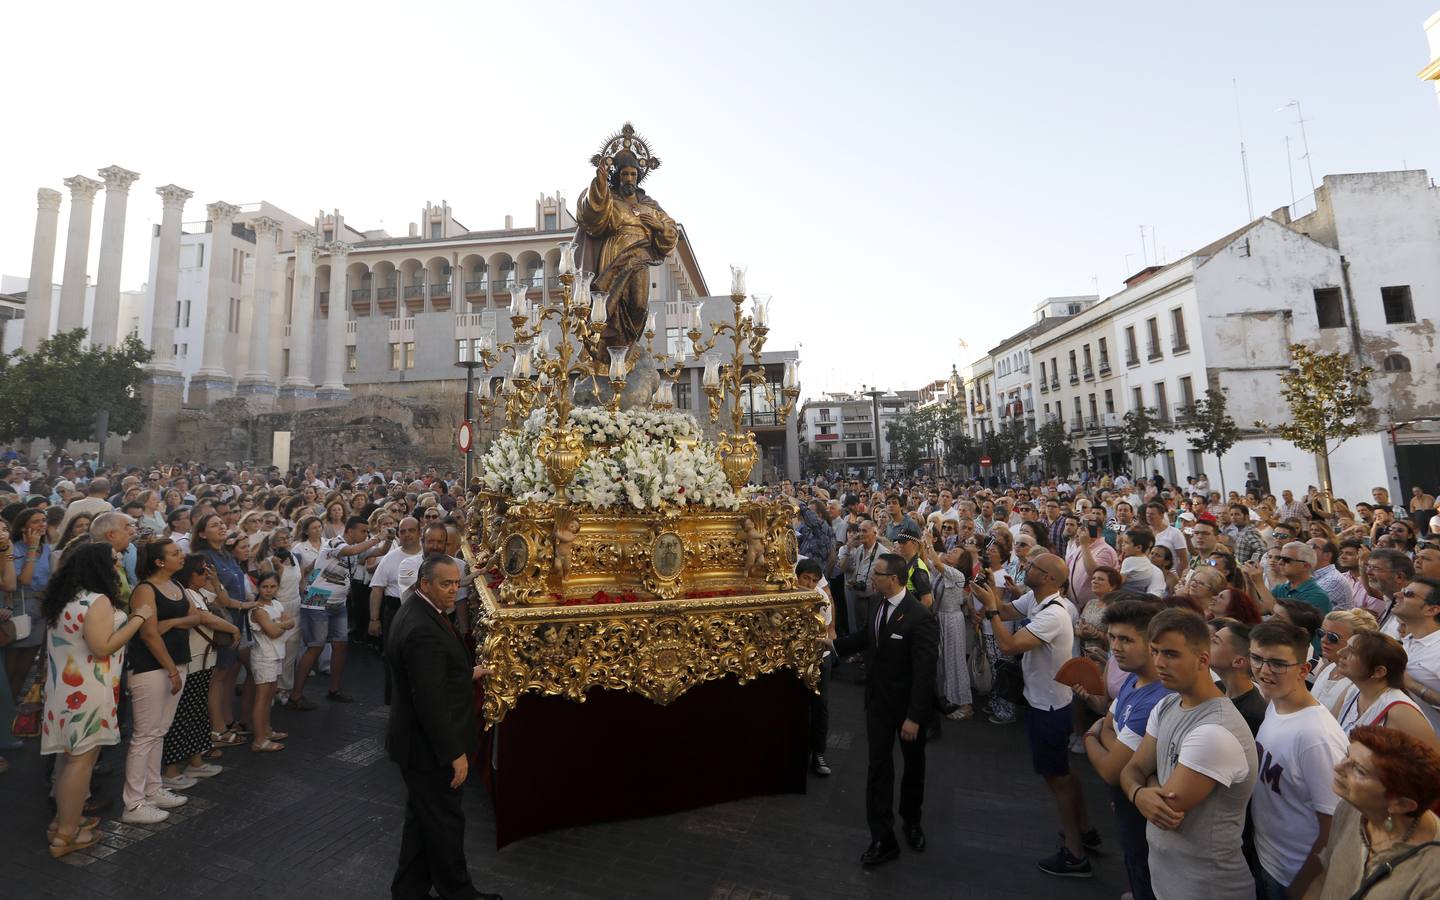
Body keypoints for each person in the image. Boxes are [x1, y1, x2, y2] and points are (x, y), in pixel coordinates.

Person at [1120, 608, 1258, 900]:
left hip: (1207, 886)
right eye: (1154, 651)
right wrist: (1139, 793)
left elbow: (1166, 810)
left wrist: (1139, 787)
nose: (1158, 662)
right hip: (1169, 878)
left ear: (1202, 660)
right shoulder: (1168, 705)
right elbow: (1129, 769)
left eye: (1171, 654)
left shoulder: (1215, 731)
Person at [384, 556, 500, 900]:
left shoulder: (418, 611)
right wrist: (454, 754)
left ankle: (408, 890)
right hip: (428, 749)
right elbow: (430, 700)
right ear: (425, 585)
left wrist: (466, 674)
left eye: (456, 583)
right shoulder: (422, 628)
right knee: (445, 822)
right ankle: (459, 893)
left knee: (423, 820)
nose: (454, 591)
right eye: (445, 584)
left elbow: (431, 679)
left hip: (417, 744)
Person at [975, 552, 1096, 877]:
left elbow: (1010, 645)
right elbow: (1008, 609)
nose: (1025, 568)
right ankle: (1084, 829)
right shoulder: (1038, 599)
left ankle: (1074, 852)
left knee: (1056, 779)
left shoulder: (1053, 616)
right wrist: (992, 593)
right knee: (1065, 772)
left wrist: (989, 609)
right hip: (1050, 701)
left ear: (1049, 579)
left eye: (1032, 567)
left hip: (1049, 707)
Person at [40, 543, 149, 857]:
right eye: (114, 561)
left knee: (68, 760)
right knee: (81, 763)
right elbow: (102, 647)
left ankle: (63, 821)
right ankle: (66, 833)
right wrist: (138, 618)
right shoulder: (96, 601)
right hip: (88, 690)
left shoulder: (65, 597)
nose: (118, 566)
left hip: (64, 690)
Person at [831, 552, 939, 867]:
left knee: (913, 767)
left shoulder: (920, 617)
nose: (871, 578)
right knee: (878, 768)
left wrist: (915, 717)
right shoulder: (879, 605)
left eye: (876, 574)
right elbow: (868, 638)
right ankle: (882, 836)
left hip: (908, 710)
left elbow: (924, 673)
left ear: (892, 579)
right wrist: (833, 646)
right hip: (878, 703)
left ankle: (912, 819)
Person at [1248, 620, 1350, 899]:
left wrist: (1302, 887)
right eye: (1256, 658)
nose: (1263, 670)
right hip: (1266, 856)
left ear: (1304, 670)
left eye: (1278, 664)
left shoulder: (1317, 738)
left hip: (1292, 875)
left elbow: (1335, 827)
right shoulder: (1275, 704)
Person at [1080, 598, 1170, 900]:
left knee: (1144, 871)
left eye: (1127, 640)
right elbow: (1108, 723)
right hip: (1127, 808)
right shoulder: (1133, 676)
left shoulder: (1154, 698)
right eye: (1113, 637)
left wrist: (1088, 739)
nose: (1115, 647)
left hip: (1143, 821)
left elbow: (1111, 771)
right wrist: (1111, 741)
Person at [1305, 725, 1440, 899]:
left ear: (1401, 804)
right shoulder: (1350, 809)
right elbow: (1324, 877)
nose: (1338, 768)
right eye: (1347, 755)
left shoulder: (1432, 877)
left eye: (1359, 770)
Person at [122, 539, 193, 825]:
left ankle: (152, 789)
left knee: (159, 731)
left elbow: (195, 616)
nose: (182, 556)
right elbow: (150, 635)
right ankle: (134, 803)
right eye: (175, 553)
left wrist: (174, 623)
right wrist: (171, 670)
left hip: (175, 663)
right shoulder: (144, 590)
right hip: (151, 668)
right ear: (159, 562)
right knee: (144, 735)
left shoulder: (177, 586)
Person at [289, 515, 388, 710]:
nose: (365, 534)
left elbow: (379, 551)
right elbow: (351, 550)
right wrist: (377, 537)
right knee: (315, 648)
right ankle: (296, 695)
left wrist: (389, 539)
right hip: (317, 597)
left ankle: (334, 690)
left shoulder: (355, 549)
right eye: (362, 531)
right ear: (350, 531)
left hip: (339, 601)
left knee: (341, 646)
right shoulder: (335, 542)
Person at [1335, 633, 1438, 746]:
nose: (1340, 653)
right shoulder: (1352, 691)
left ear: (1378, 672)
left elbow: (1433, 760)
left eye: (1352, 652)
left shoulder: (1401, 711)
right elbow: (1330, 731)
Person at [796, 557, 836, 775]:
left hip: (820, 657)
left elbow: (828, 627)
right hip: (795, 658)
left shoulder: (822, 598)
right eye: (805, 579)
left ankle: (818, 753)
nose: (809, 584)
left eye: (813, 580)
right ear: (797, 577)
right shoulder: (788, 596)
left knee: (820, 705)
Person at [247, 570, 294, 752]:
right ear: (258, 587)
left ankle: (266, 731)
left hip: (276, 655)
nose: (268, 590)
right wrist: (282, 625)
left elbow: (289, 623)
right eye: (264, 587)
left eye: (272, 586)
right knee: (261, 698)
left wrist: (278, 625)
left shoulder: (276, 604)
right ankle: (259, 740)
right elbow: (274, 631)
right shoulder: (258, 610)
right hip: (263, 657)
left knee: (269, 698)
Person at [1310, 610, 1378, 718]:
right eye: (1321, 633)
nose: (1324, 640)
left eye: (1333, 637)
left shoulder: (1358, 682)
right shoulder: (1327, 667)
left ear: (1357, 641)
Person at [1394, 576, 1440, 733]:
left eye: (1408, 594)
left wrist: (1412, 685)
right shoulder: (1407, 641)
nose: (1397, 595)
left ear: (1432, 609)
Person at [1209, 618, 1267, 736]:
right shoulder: (1217, 688)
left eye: (1215, 641)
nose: (1206, 644)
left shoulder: (1252, 714)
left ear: (1238, 661)